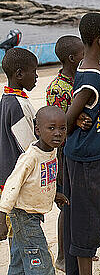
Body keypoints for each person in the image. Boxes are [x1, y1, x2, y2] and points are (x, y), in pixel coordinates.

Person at [64, 13, 100, 275]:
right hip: (87, 158)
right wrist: (74, 121)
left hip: (87, 155)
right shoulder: (91, 77)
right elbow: (67, 120)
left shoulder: (88, 68)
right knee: (87, 220)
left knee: (80, 216)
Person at [0, 106, 69, 275]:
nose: (58, 133)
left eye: (62, 128)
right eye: (51, 128)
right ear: (37, 130)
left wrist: (53, 195)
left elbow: (39, 180)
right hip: (23, 215)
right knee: (40, 261)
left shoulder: (52, 150)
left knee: (20, 261)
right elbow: (12, 186)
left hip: (33, 212)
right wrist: (2, 216)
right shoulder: (30, 157)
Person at [46, 35, 84, 271]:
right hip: (62, 154)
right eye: (82, 53)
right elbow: (56, 127)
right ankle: (62, 254)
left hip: (77, 150)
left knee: (78, 202)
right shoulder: (58, 88)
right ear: (72, 58)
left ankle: (76, 248)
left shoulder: (78, 81)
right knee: (66, 204)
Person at [0, 47, 37, 253]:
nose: (37, 76)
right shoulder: (17, 105)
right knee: (20, 230)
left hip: (7, 176)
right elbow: (29, 146)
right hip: (17, 178)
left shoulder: (7, 99)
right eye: (34, 71)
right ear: (20, 74)